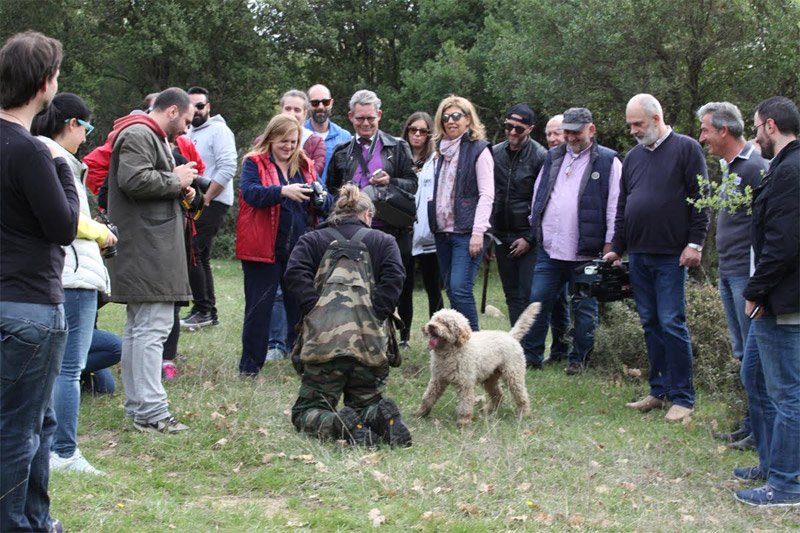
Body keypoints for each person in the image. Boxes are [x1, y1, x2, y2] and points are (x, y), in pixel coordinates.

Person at [0, 30, 78, 532]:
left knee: (38, 423)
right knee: (18, 430)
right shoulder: (31, 152)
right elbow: (63, 227)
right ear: (45, 83)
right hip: (29, 308)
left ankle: (36, 518)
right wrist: (64, 171)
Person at [603, 93, 710, 422]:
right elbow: (623, 206)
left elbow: (701, 198)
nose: (633, 130)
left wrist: (696, 244)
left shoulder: (686, 148)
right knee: (650, 323)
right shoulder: (633, 157)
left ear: (656, 118)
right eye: (630, 124)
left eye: (638, 123)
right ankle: (658, 390)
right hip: (639, 255)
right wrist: (615, 247)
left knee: (671, 323)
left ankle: (683, 398)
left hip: (672, 256)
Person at [286, 183, 411, 447]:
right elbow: (395, 279)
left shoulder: (312, 239)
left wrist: (314, 309)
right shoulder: (384, 241)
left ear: (336, 213)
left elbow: (295, 274)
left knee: (306, 410)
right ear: (368, 215)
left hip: (323, 344)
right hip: (369, 345)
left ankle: (337, 424)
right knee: (366, 400)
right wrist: (377, 314)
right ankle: (379, 415)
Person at [31, 93, 115, 476]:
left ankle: (45, 448)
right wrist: (103, 233)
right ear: (71, 124)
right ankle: (63, 452)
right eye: (87, 128)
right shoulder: (56, 159)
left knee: (53, 368)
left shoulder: (34, 153)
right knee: (69, 369)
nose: (86, 137)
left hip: (54, 275)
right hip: (74, 275)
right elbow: (68, 219)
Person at [106, 87, 198, 433]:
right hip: (149, 249)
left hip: (149, 247)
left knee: (141, 330)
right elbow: (134, 180)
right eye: (187, 120)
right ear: (172, 110)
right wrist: (176, 179)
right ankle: (150, 412)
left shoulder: (147, 134)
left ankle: (139, 407)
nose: (187, 129)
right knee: (150, 331)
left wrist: (181, 186)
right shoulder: (140, 133)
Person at [734, 96, 800, 508]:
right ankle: (771, 462)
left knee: (787, 394)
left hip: (782, 299)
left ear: (770, 125)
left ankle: (788, 484)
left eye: (756, 126)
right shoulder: (784, 166)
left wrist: (755, 290)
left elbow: (783, 243)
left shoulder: (792, 171)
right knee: (754, 376)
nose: (755, 134)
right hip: (773, 297)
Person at [527, 108, 622, 375]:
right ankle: (531, 356)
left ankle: (578, 360)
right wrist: (535, 224)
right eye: (566, 131)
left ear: (591, 130)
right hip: (550, 248)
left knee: (584, 308)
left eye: (576, 131)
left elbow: (616, 205)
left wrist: (610, 244)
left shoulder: (608, 161)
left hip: (587, 251)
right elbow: (539, 193)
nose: (570, 136)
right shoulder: (553, 157)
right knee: (537, 301)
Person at [697, 101, 768, 450]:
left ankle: (760, 433)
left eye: (706, 130)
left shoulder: (755, 167)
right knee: (743, 354)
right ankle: (750, 424)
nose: (702, 138)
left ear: (723, 130)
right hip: (728, 272)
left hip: (745, 275)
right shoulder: (730, 168)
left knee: (756, 359)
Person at [236, 114, 330, 377]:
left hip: (297, 250)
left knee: (300, 307)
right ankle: (250, 368)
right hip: (261, 249)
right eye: (282, 141)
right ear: (270, 138)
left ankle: (303, 362)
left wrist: (321, 198)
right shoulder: (254, 162)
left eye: (293, 141)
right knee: (259, 308)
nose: (288, 146)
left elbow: (325, 201)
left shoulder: (304, 164)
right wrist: (281, 192)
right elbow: (250, 194)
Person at [327, 90, 418, 338]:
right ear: (350, 117)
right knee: (357, 285)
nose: (365, 123)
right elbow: (331, 190)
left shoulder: (397, 146)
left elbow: (412, 184)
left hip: (390, 229)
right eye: (359, 119)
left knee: (394, 283)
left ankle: (401, 336)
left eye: (370, 118)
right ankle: (359, 334)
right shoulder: (341, 151)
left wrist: (392, 181)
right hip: (353, 232)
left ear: (379, 115)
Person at [266, 89, 329, 361]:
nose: (292, 114)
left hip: (302, 228)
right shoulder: (262, 145)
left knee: (298, 288)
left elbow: (316, 183)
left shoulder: (313, 145)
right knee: (275, 292)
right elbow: (255, 188)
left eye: (298, 110)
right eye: (287, 108)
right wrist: (281, 191)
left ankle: (297, 342)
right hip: (269, 229)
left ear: (305, 115)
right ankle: (275, 343)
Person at [429, 95, 494, 331]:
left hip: (468, 232)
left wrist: (479, 232)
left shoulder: (479, 150)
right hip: (443, 232)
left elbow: (487, 194)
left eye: (457, 116)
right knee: (451, 289)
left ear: (468, 119)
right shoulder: (440, 151)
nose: (451, 121)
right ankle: (459, 344)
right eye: (446, 117)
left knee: (459, 288)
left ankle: (475, 345)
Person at [181, 86, 238, 330]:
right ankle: (206, 311)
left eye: (200, 106)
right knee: (199, 254)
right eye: (191, 106)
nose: (196, 110)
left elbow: (227, 167)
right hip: (194, 200)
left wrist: (206, 198)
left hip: (212, 201)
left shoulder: (219, 130)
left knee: (193, 251)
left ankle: (204, 309)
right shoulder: (188, 131)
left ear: (209, 107)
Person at [491, 104, 547, 340]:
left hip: (527, 233)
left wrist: (531, 238)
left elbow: (544, 202)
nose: (512, 133)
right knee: (511, 293)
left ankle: (533, 347)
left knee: (529, 293)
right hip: (500, 233)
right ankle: (517, 343)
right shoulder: (494, 153)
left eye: (519, 129)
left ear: (530, 129)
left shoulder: (541, 156)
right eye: (508, 127)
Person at [404, 111, 443, 331]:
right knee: (404, 285)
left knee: (433, 285)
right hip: (404, 228)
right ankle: (404, 335)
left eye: (423, 131)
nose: (417, 135)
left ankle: (438, 332)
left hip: (429, 230)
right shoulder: (398, 156)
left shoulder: (436, 159)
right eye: (413, 129)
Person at [305, 83, 353, 184]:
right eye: (315, 103)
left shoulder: (344, 137)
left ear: (331, 103)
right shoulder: (300, 134)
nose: (321, 107)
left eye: (325, 102)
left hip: (336, 196)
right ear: (307, 104)